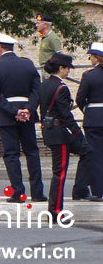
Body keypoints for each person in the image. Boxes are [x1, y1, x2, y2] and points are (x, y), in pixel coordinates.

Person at [39, 52, 98, 221]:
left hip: (49, 131)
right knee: (60, 172)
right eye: (67, 69)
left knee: (87, 152)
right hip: (60, 133)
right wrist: (79, 134)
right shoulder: (61, 87)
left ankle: (80, 188)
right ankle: (55, 211)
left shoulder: (44, 85)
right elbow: (66, 115)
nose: (68, 72)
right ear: (61, 68)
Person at [0, 31, 45, 203]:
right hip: (27, 114)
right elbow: (36, 90)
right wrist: (29, 109)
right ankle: (37, 192)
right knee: (32, 152)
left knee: (12, 155)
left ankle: (18, 193)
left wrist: (14, 111)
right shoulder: (28, 64)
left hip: (7, 115)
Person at [74, 42, 103, 201]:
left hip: (94, 119)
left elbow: (80, 99)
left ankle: (99, 191)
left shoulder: (89, 75)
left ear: (96, 58)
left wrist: (88, 111)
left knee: (96, 156)